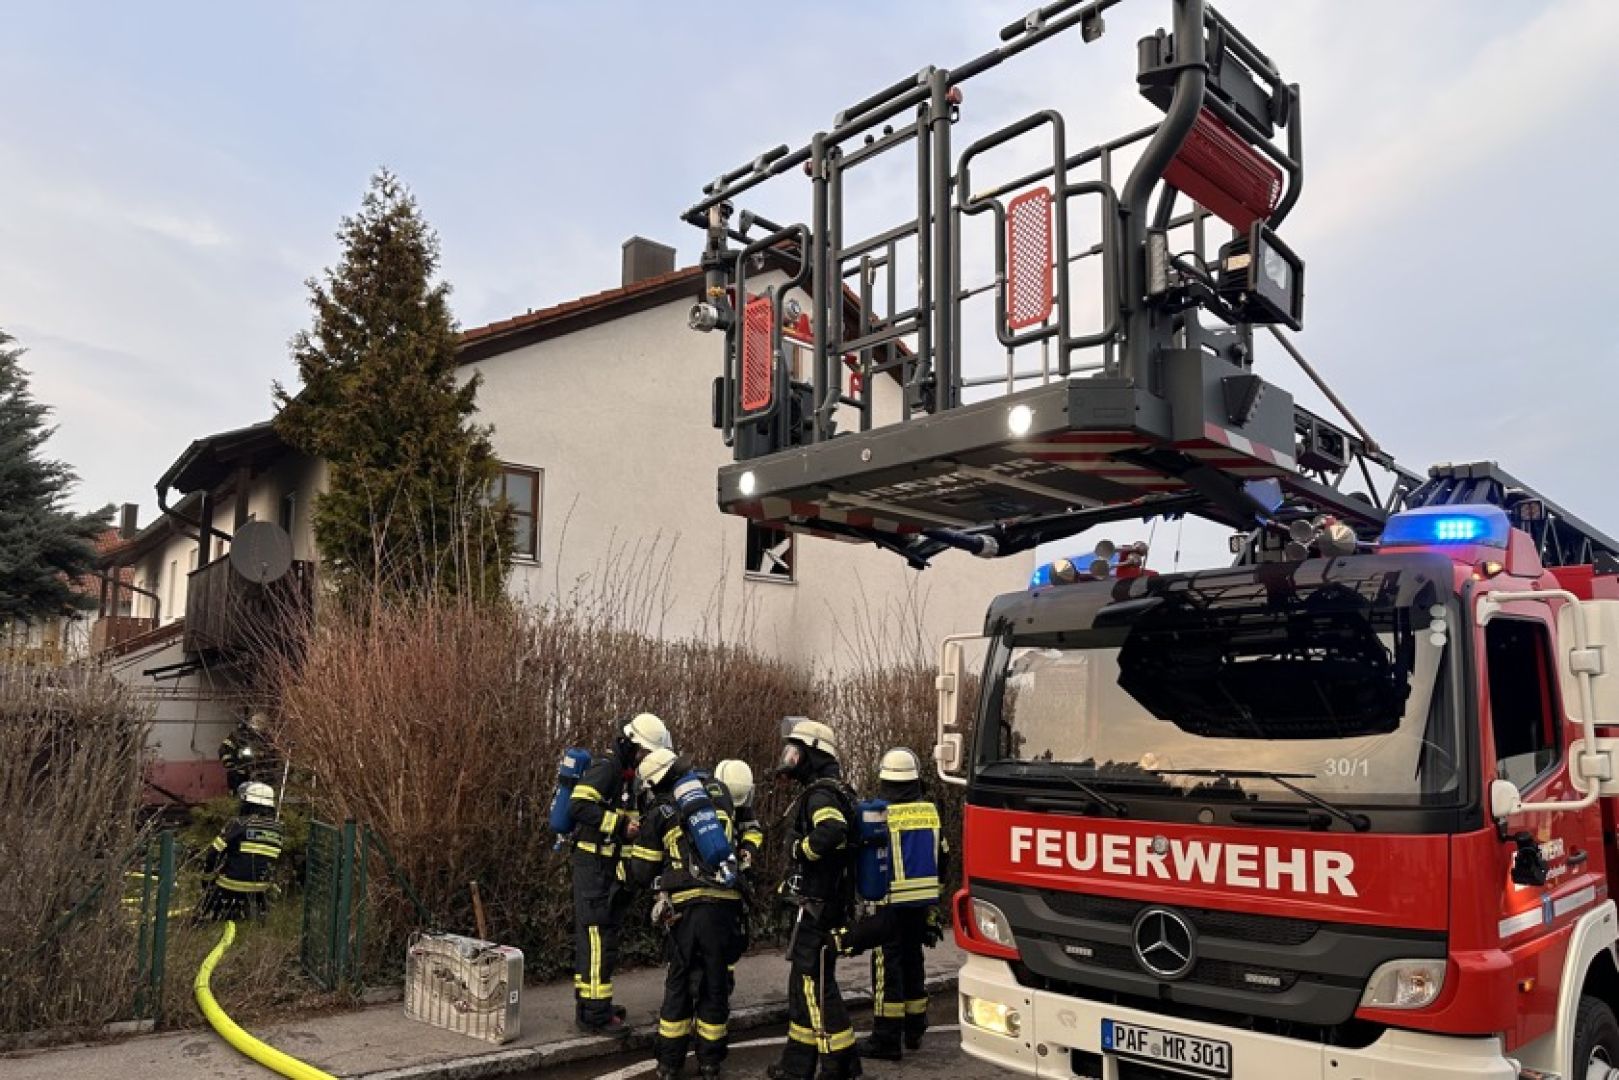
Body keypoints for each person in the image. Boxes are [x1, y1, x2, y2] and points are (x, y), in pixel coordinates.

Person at [628, 749, 747, 1080]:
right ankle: (710, 1062)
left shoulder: (661, 810)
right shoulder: (718, 796)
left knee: (679, 982)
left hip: (687, 909)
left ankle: (669, 1063)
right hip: (726, 904)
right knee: (714, 982)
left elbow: (642, 870)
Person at [768, 720, 861, 1080]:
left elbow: (832, 830)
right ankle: (798, 1065)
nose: (790, 758)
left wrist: (799, 850)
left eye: (796, 752)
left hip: (819, 904)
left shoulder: (821, 794)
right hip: (825, 901)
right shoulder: (833, 789)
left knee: (813, 983)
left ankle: (838, 1064)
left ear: (814, 754)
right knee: (803, 983)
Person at [570, 712, 672, 1035]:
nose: (646, 759)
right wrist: (619, 825)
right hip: (593, 867)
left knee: (599, 938)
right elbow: (578, 806)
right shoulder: (607, 768)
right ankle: (595, 1015)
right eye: (646, 753)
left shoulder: (626, 775)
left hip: (604, 868)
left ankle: (591, 1004)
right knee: (597, 938)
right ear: (634, 746)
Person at [843, 747, 948, 1060]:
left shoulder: (880, 814)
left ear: (885, 779)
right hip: (921, 902)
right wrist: (934, 903)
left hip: (889, 903)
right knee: (913, 961)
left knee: (886, 968)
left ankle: (886, 1039)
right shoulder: (930, 812)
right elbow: (943, 857)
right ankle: (915, 1029)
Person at [198, 781, 283, 922]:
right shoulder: (278, 828)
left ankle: (205, 915)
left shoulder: (239, 823)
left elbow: (213, 853)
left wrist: (207, 879)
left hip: (231, 885)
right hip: (261, 887)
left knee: (211, 888)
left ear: (247, 803)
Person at [218, 711, 274, 792]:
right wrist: (231, 765)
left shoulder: (265, 738)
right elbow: (224, 749)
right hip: (239, 775)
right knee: (239, 794)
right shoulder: (238, 736)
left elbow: (269, 755)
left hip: (259, 775)